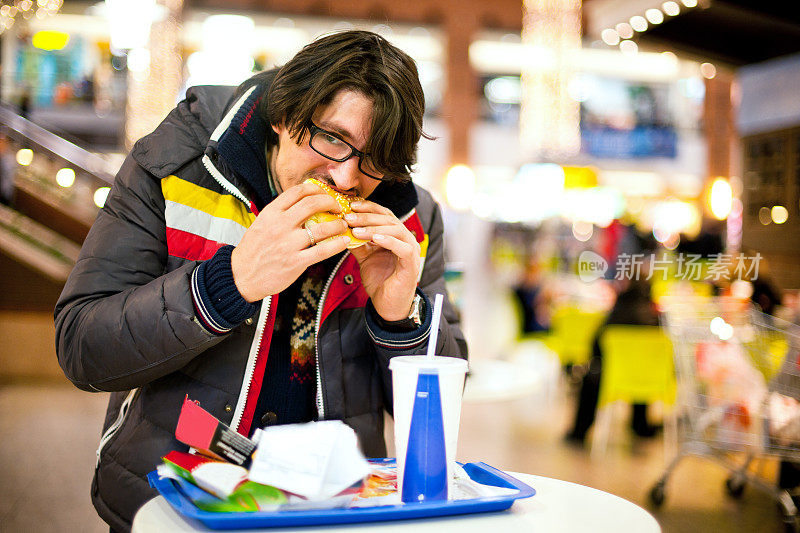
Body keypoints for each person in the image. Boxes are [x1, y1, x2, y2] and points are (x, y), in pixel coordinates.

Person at [54, 31, 467, 532]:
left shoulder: (412, 220)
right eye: (332, 139)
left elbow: (440, 413)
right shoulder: (175, 166)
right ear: (282, 114)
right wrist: (227, 283)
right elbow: (81, 348)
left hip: (333, 512)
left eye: (375, 158)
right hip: (182, 498)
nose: (345, 178)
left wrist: (400, 320)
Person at [564, 277, 660, 444]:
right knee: (639, 371)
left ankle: (579, 431)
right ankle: (640, 425)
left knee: (591, 376)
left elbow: (595, 345)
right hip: (650, 380)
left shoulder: (616, 314)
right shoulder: (655, 318)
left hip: (613, 377)